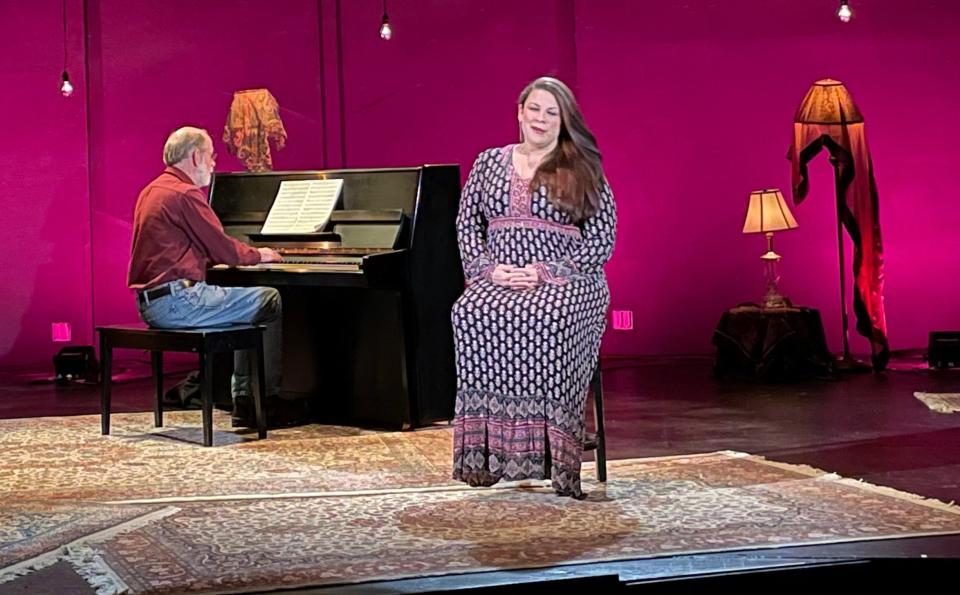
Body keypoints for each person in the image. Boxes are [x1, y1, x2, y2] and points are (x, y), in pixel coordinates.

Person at [451, 77, 617, 499]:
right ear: (519, 112)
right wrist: (487, 270)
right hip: (500, 276)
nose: (541, 119)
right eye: (535, 109)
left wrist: (544, 272)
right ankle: (487, 460)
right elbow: (467, 223)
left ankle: (554, 458)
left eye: (552, 112)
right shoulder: (488, 162)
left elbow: (602, 239)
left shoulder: (582, 167)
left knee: (546, 314)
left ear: (564, 121)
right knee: (468, 311)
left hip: (568, 280)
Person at [127, 126, 306, 428]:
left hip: (152, 303)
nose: (213, 163)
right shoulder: (185, 194)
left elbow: (189, 247)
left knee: (243, 303)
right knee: (268, 298)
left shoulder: (153, 190)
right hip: (179, 301)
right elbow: (225, 249)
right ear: (195, 156)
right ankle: (263, 400)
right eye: (211, 156)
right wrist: (261, 254)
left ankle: (246, 400)